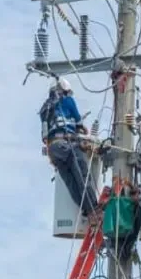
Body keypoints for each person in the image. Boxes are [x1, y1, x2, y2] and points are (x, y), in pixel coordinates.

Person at [39, 78, 102, 226]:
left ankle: (89, 212)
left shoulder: (45, 109)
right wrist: (84, 131)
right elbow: (78, 122)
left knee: (72, 184)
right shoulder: (68, 101)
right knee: (82, 176)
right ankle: (94, 210)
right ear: (64, 90)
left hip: (53, 150)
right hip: (67, 144)